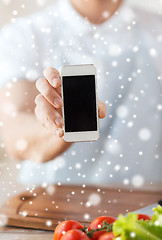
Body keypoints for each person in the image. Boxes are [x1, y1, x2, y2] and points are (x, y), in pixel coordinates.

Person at [0, 0, 161, 190]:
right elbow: (14, 135)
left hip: (144, 211)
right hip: (50, 212)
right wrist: (58, 127)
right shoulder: (25, 34)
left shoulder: (156, 30)